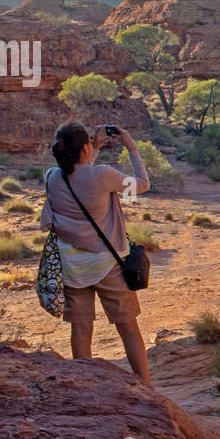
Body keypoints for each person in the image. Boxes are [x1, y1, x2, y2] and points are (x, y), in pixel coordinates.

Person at [41, 121, 151, 385]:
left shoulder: (52, 177)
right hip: (107, 264)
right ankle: (147, 388)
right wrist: (130, 145)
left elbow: (77, 177)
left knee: (81, 329)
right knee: (128, 327)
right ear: (84, 148)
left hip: (72, 266)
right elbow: (142, 184)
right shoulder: (103, 175)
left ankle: (84, 388)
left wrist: (95, 148)